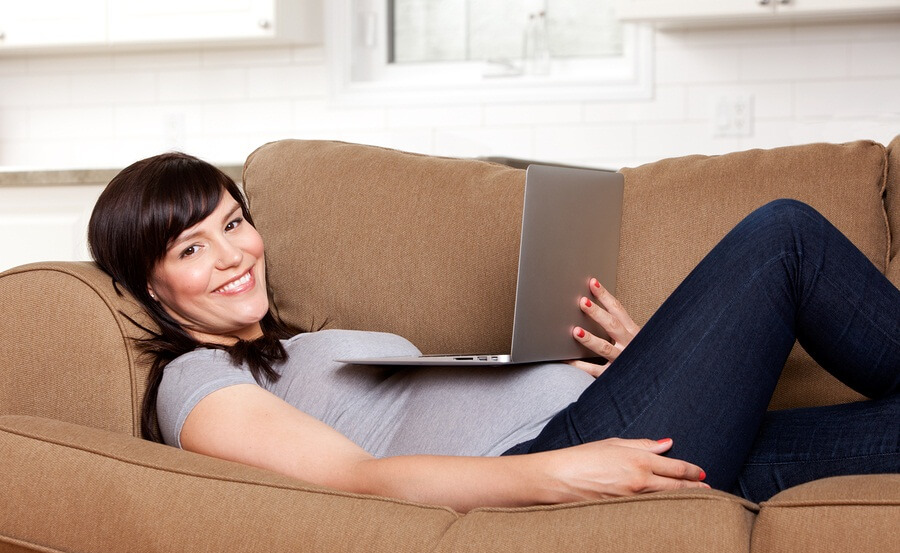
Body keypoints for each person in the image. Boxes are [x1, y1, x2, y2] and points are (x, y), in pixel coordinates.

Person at [88, 152, 900, 513]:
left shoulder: (291, 351)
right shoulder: (197, 381)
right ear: (147, 285)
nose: (235, 256)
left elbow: (429, 405)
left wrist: (641, 362)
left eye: (235, 223)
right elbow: (358, 483)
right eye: (194, 247)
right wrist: (562, 475)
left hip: (592, 422)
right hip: (549, 463)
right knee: (782, 238)